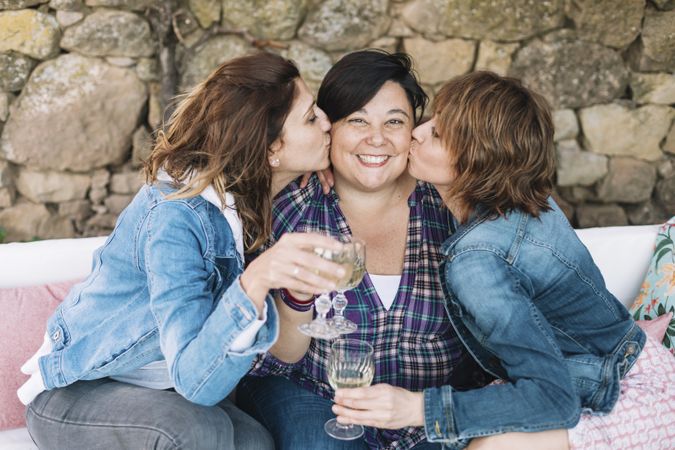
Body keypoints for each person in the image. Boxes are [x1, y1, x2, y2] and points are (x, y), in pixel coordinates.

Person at [19, 52, 350, 450]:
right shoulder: (176, 217)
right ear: (270, 148)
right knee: (195, 432)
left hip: (161, 394)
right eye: (312, 118)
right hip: (78, 391)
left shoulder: (254, 198)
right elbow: (197, 384)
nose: (328, 123)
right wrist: (256, 280)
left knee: (254, 443)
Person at [334, 71, 675, 449]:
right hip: (623, 371)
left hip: (625, 398)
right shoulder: (528, 199)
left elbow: (552, 398)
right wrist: (331, 166)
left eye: (437, 135)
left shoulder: (476, 260)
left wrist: (415, 408)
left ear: (476, 161)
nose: (416, 131)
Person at [236, 50, 484, 450]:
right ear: (329, 128)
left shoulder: (446, 205)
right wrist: (298, 300)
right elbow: (277, 359)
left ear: (413, 132)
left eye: (394, 122)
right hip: (313, 394)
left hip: (424, 406)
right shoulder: (292, 208)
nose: (377, 139)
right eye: (357, 120)